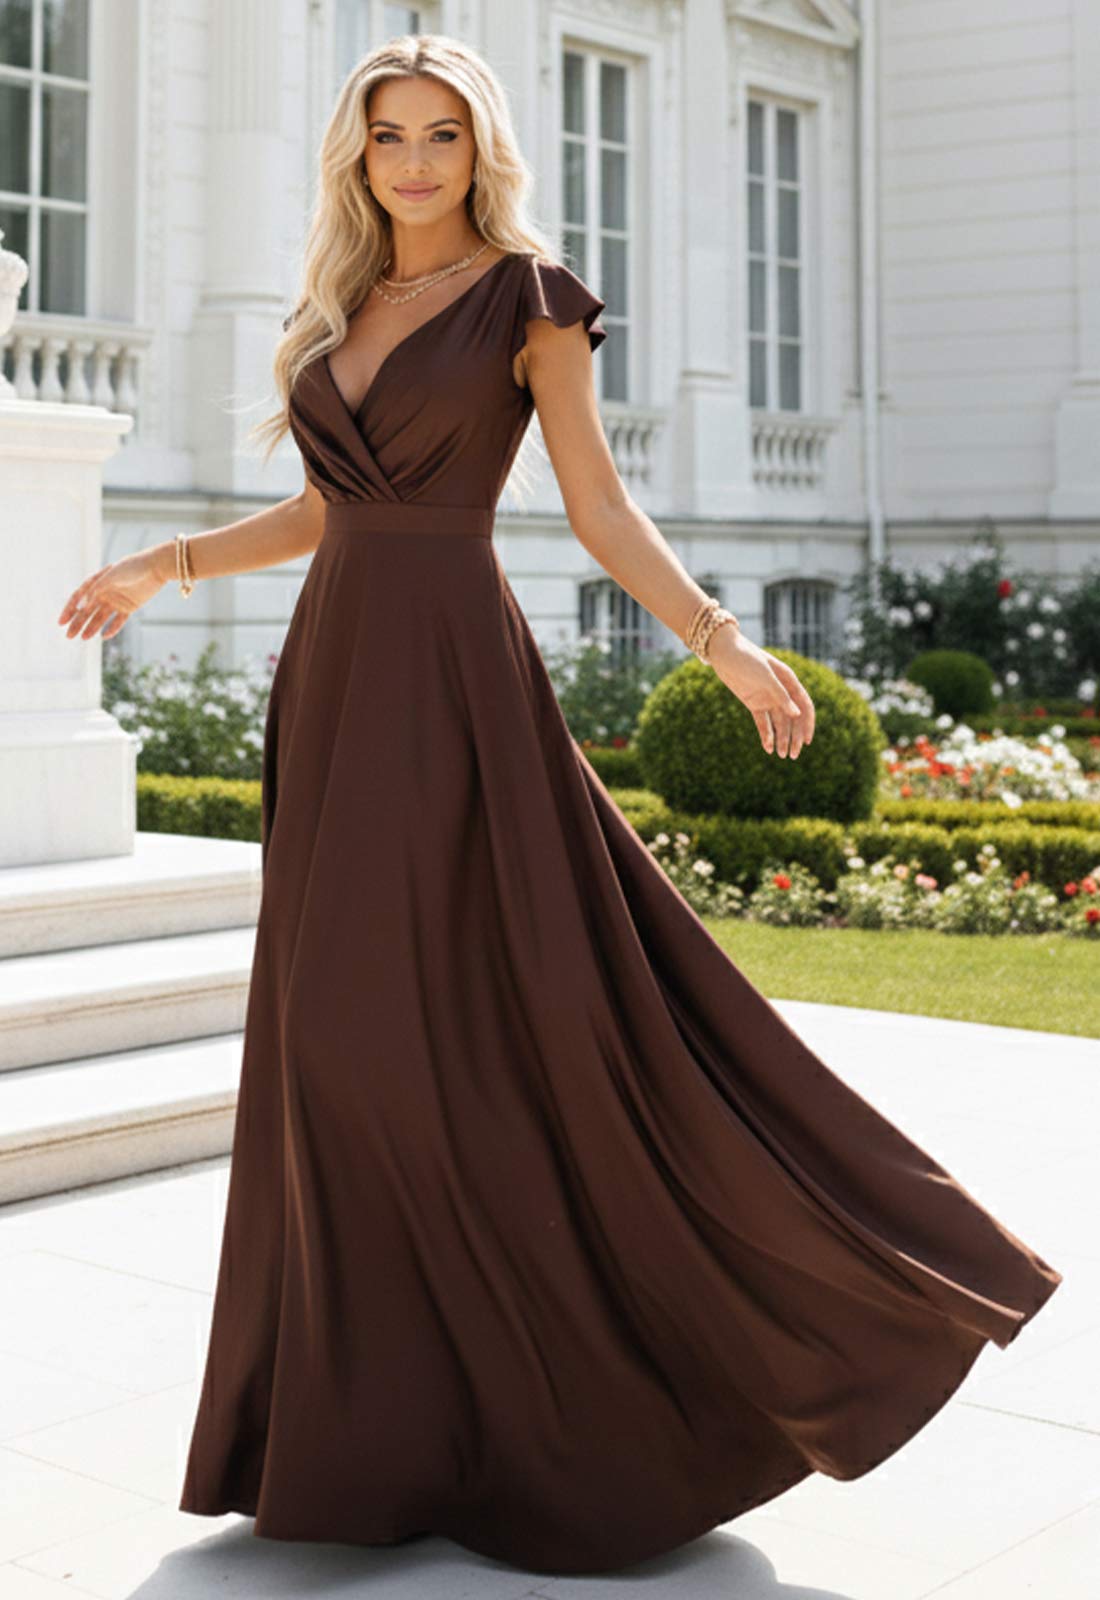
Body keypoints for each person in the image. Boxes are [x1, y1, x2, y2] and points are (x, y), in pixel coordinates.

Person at [57, 32, 1061, 1581]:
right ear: (357, 155)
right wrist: (163, 563)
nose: (410, 161)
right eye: (386, 135)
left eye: (439, 134)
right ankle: (372, 1433)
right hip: (336, 683)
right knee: (330, 1046)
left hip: (456, 683)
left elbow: (595, 503)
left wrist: (722, 642)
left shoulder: (533, 298)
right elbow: (336, 507)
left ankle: (594, 1407)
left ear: (478, 149)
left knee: (494, 1031)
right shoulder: (347, 306)